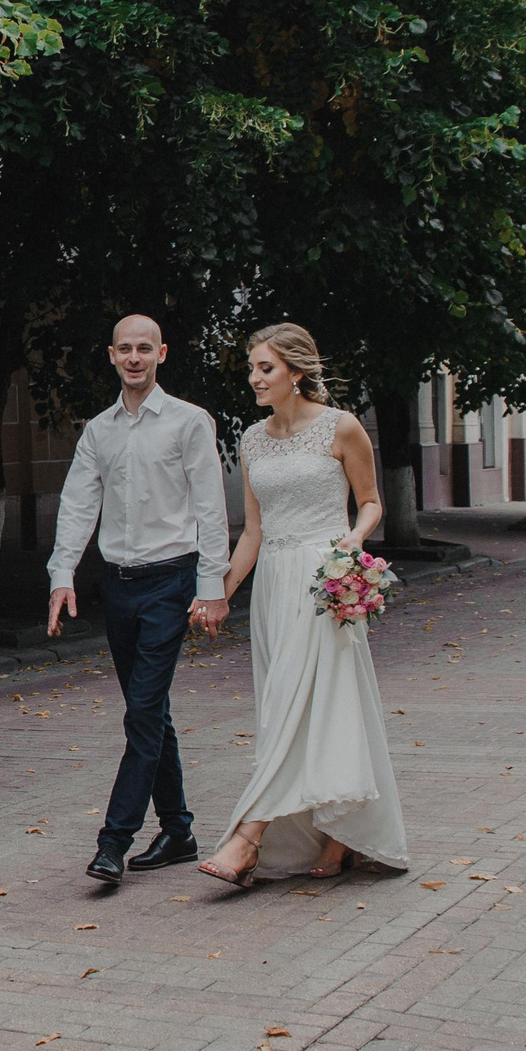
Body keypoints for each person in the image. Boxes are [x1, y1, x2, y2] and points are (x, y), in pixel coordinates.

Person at [198, 324, 409, 888]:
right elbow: (254, 532)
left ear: (295, 371)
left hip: (326, 582)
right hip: (274, 585)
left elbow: (370, 503)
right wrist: (219, 593)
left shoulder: (341, 427)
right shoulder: (251, 439)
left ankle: (248, 838)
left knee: (308, 702)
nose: (254, 379)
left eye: (265, 368)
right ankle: (334, 836)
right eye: (251, 369)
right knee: (289, 707)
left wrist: (352, 541)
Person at [46, 313, 231, 885]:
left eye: (144, 349)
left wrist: (211, 588)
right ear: (110, 355)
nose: (134, 357)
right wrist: (62, 574)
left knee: (143, 714)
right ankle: (177, 830)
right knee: (152, 715)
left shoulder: (189, 422)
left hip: (171, 582)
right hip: (117, 585)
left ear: (162, 354)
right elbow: (78, 503)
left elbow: (210, 508)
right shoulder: (98, 430)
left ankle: (113, 842)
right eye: (124, 349)